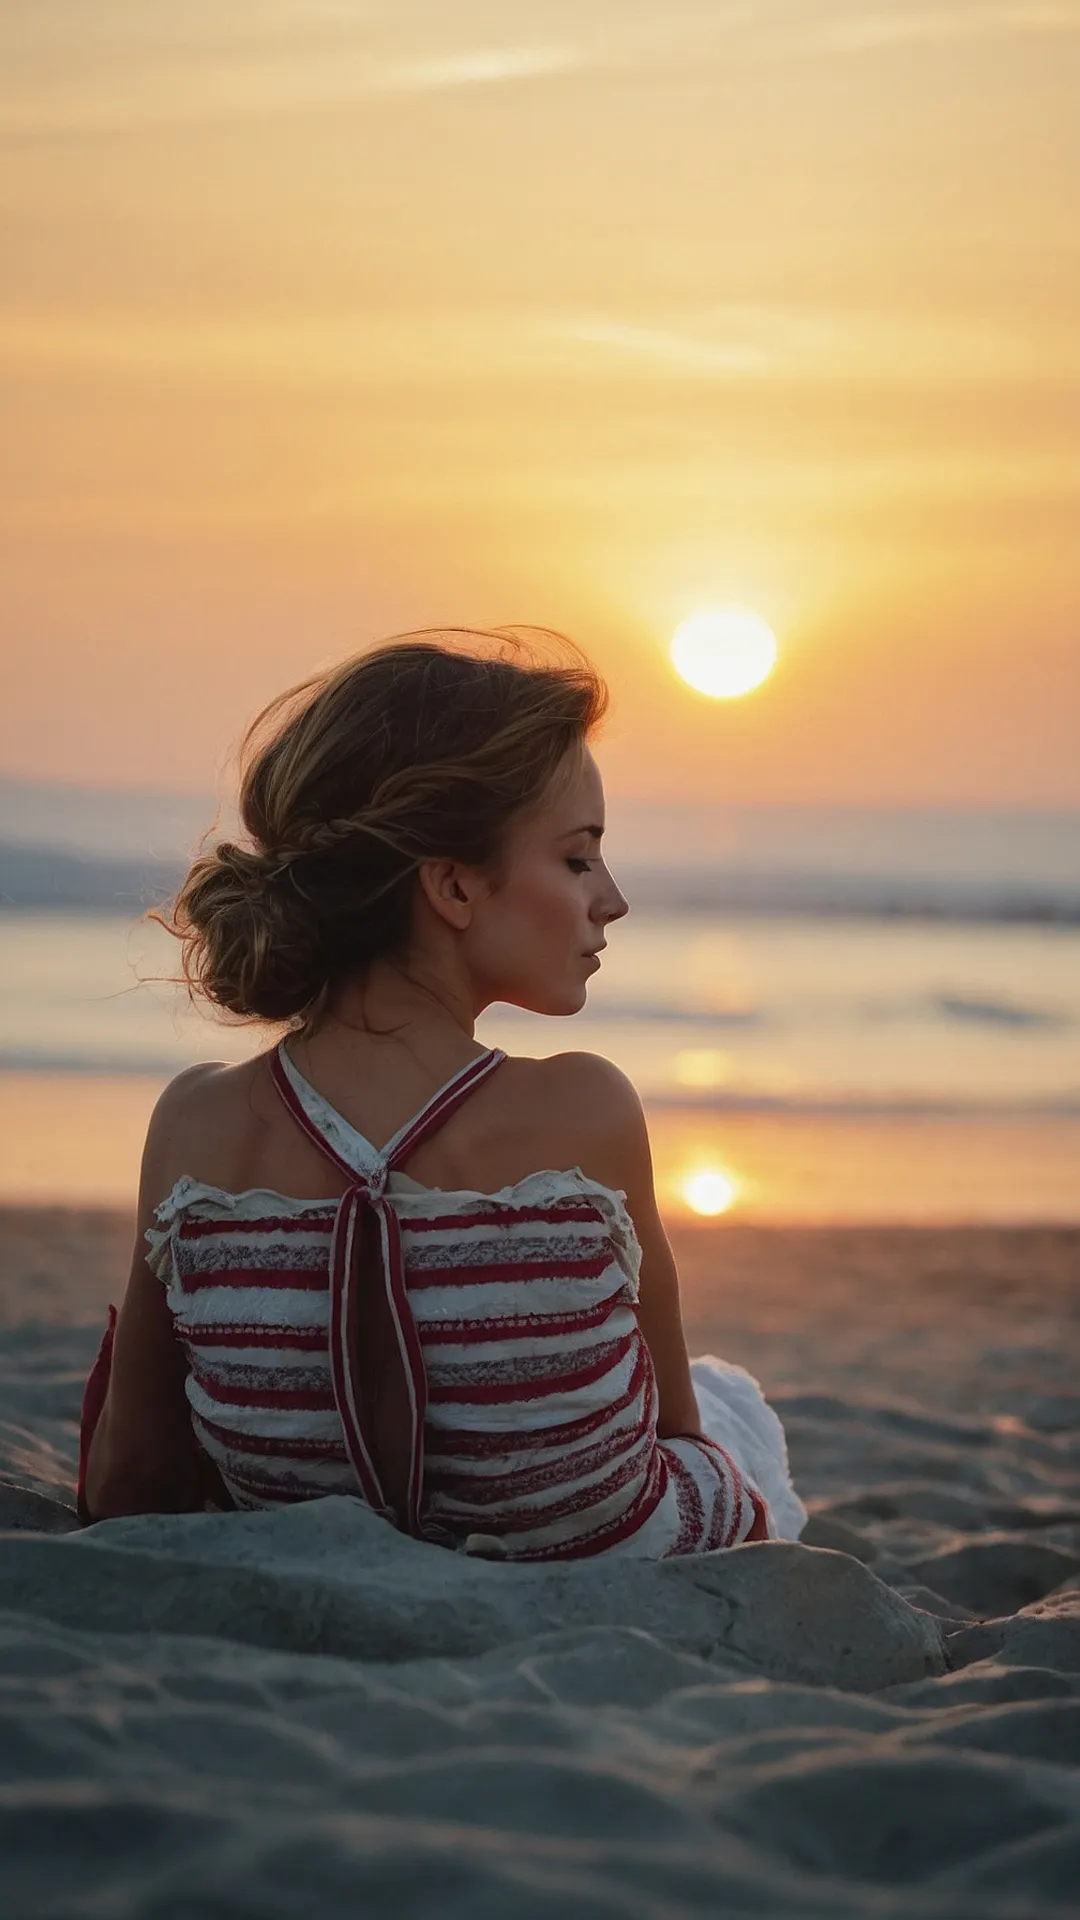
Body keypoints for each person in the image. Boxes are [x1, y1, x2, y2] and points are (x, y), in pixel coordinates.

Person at [80, 631, 805, 1555]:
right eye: (579, 858)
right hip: (597, 1550)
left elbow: (127, 1483)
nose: (611, 898)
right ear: (455, 886)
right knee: (732, 1403)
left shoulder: (199, 1122)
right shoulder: (587, 1111)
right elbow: (669, 1422)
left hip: (291, 1534)